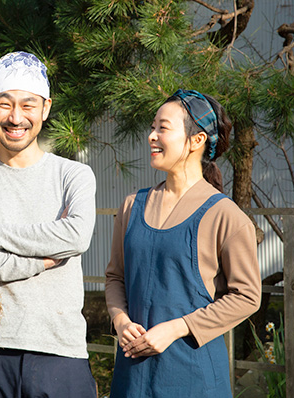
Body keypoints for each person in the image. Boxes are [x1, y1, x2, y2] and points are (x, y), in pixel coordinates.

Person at [0, 51, 98, 397]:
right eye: (5, 104)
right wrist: (38, 261)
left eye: (28, 105)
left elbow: (75, 235)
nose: (16, 117)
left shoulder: (73, 175)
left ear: (45, 108)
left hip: (61, 352)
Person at [104, 89, 262, 397]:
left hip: (194, 375)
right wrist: (120, 320)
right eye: (152, 127)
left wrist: (177, 327)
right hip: (131, 375)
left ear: (196, 140)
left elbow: (247, 296)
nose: (151, 135)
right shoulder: (131, 206)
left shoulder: (226, 215)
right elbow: (115, 278)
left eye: (162, 127)